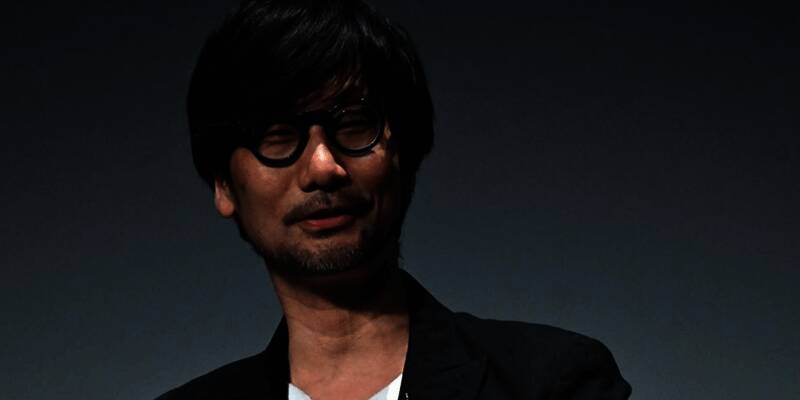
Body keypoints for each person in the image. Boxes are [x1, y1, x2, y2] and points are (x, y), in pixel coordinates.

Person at [158, 0, 631, 398]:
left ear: (406, 153)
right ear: (224, 185)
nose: (323, 166)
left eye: (353, 125)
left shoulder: (553, 383)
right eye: (277, 135)